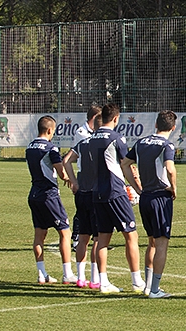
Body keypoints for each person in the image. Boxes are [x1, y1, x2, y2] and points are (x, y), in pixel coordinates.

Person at [88, 103, 146, 294]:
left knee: (102, 238)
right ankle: (137, 281)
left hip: (97, 192)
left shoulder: (91, 139)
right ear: (115, 118)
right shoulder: (116, 138)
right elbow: (126, 165)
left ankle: (103, 282)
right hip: (115, 191)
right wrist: (137, 188)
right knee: (131, 235)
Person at [122, 110, 178, 298]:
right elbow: (170, 169)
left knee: (152, 242)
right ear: (173, 127)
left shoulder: (141, 142)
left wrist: (137, 188)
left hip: (145, 197)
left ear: (156, 124)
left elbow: (125, 164)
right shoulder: (167, 145)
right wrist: (173, 187)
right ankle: (154, 289)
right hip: (160, 198)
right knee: (162, 243)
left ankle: (147, 286)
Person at [26, 116, 75, 284]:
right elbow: (61, 173)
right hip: (49, 195)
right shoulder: (51, 149)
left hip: (34, 194)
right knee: (65, 231)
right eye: (53, 130)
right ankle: (67, 273)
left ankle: (42, 274)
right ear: (49, 130)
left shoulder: (30, 146)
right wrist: (70, 179)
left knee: (40, 234)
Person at [62, 108, 103, 289]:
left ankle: (80, 278)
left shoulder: (83, 143)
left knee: (83, 238)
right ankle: (95, 279)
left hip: (82, 191)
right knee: (98, 237)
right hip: (96, 192)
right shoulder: (102, 143)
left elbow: (65, 161)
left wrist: (74, 182)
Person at [70, 105, 102, 251]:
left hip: (94, 173)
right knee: (83, 208)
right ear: (95, 118)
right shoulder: (82, 132)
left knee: (93, 209)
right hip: (84, 173)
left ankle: (98, 238)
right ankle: (76, 237)